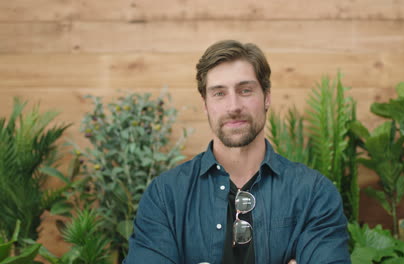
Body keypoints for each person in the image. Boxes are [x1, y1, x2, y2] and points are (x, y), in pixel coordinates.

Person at [123, 40, 350, 264]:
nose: (233, 106)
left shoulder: (314, 194)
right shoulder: (165, 196)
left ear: (267, 97)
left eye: (245, 90)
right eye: (219, 93)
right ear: (205, 103)